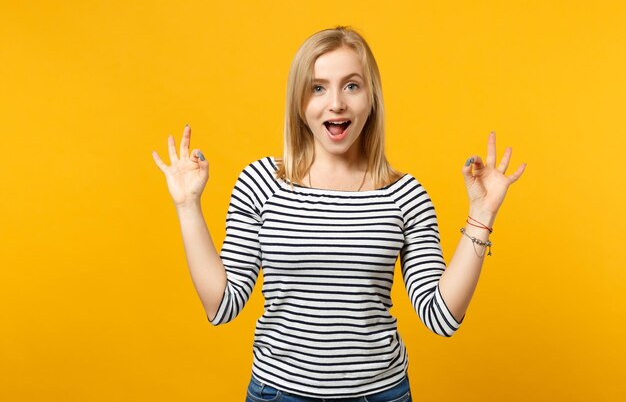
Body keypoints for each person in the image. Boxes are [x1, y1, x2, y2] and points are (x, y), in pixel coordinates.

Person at [152, 26, 526, 402]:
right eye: (317, 87)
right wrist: (187, 207)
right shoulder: (261, 183)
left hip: (380, 394)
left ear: (372, 98)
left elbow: (440, 316)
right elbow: (221, 305)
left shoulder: (405, 195)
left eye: (351, 86)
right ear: (299, 102)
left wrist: (481, 213)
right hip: (279, 393)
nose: (336, 103)